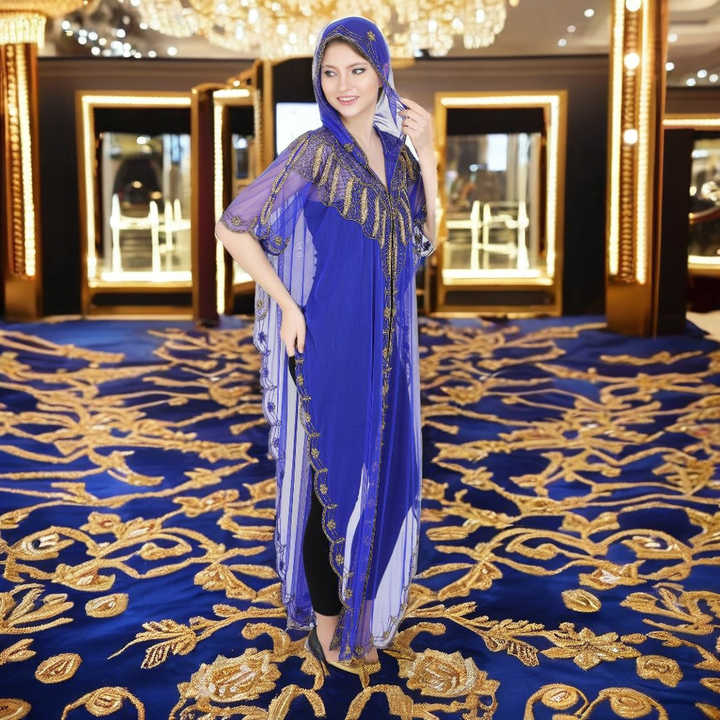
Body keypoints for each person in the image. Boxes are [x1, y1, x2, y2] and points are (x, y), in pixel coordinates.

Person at [214, 15, 437, 676]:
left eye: (357, 70)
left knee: (388, 475)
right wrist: (286, 304)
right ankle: (328, 626)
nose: (344, 84)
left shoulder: (400, 156)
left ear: (381, 73)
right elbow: (233, 227)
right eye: (331, 72)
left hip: (391, 344)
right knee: (330, 484)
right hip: (329, 339)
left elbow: (426, 241)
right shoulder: (313, 152)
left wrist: (428, 156)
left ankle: (364, 608)